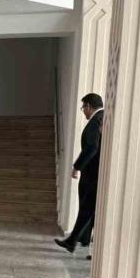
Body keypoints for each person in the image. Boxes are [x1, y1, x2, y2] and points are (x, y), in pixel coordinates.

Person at [55, 93, 104, 256]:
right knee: (89, 209)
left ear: (89, 106)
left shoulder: (96, 121)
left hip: (93, 175)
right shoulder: (103, 118)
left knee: (86, 208)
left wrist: (77, 167)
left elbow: (91, 147)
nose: (84, 111)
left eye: (83, 108)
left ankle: (74, 241)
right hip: (96, 174)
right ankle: (80, 239)